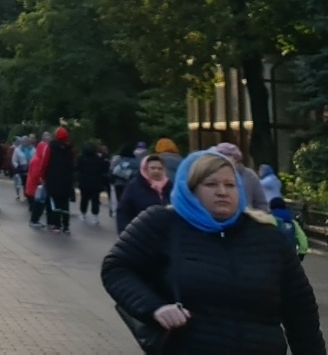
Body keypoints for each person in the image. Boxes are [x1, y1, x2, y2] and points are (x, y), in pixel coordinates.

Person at [102, 149, 323, 355]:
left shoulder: (267, 236)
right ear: (191, 189)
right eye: (211, 184)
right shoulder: (163, 223)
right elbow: (116, 268)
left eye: (230, 185)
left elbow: (300, 310)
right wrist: (154, 308)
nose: (222, 192)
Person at [115, 153, 170, 235]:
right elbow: (123, 211)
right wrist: (124, 233)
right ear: (145, 169)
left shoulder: (169, 186)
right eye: (153, 168)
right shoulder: (134, 186)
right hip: (139, 234)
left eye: (160, 168)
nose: (156, 171)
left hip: (165, 236)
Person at [213, 143, 269, 211]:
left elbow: (262, 204)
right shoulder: (212, 174)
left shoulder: (249, 176)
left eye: (224, 157)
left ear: (235, 159)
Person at [41, 127, 77, 234]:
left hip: (53, 178)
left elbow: (45, 162)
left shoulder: (50, 147)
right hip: (66, 179)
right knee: (65, 203)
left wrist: (42, 175)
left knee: (55, 202)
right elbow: (73, 164)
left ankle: (57, 225)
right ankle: (66, 226)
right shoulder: (70, 149)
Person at [77, 142, 110, 227]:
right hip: (96, 183)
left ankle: (83, 213)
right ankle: (95, 216)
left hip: (84, 182)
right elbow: (104, 169)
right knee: (95, 200)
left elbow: (77, 168)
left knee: (84, 199)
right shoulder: (99, 159)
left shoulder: (81, 158)